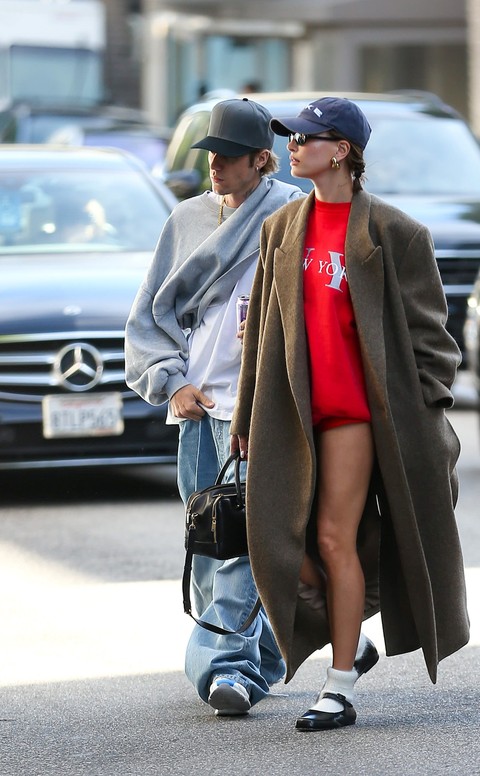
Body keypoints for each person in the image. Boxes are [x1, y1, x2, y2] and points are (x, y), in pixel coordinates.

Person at [230, 96, 470, 731]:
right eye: (292, 137)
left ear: (341, 150)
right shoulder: (280, 228)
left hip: (357, 416)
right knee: (277, 537)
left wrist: (418, 416)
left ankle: (337, 686)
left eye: (305, 138)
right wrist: (246, 418)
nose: (292, 147)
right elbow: (262, 336)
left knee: (335, 537)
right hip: (290, 414)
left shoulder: (395, 233)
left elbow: (434, 341)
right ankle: (352, 639)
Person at [124, 98, 304, 716]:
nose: (217, 169)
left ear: (263, 159)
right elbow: (150, 313)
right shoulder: (186, 220)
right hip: (197, 407)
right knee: (208, 538)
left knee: (248, 539)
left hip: (262, 409)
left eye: (230, 158)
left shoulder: (293, 215)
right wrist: (169, 382)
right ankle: (270, 653)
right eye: (212, 157)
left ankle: (223, 666)